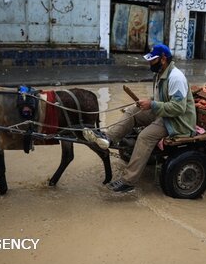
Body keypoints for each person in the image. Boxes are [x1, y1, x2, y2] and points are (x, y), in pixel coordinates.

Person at [84, 44, 197, 193]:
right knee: (133, 110)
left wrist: (152, 104)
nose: (150, 64)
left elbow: (178, 108)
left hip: (177, 121)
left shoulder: (176, 77)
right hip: (164, 114)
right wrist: (148, 102)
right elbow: (160, 98)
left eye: (152, 61)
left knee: (144, 136)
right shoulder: (159, 74)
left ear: (163, 59)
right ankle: (107, 138)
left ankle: (128, 181)